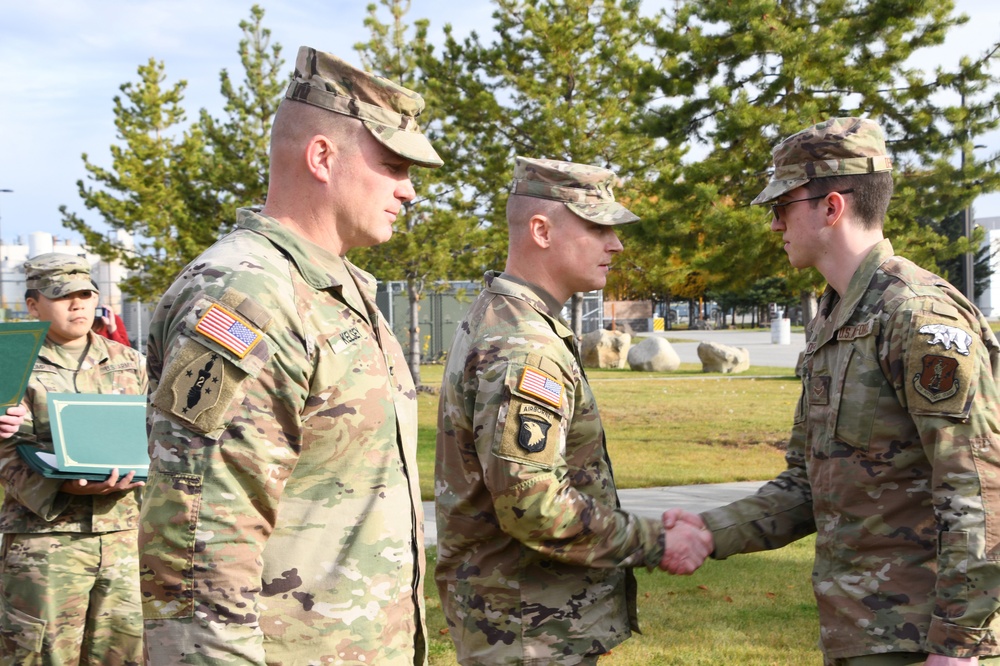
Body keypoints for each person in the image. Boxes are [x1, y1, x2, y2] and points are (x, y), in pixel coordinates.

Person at [138, 46, 442, 665]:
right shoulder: (249, 295)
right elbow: (199, 541)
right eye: (392, 166)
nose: (409, 192)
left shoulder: (336, 288)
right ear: (322, 156)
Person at [665, 117, 1000, 666]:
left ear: (831, 207)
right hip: (861, 633)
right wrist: (709, 529)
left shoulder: (917, 316)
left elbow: (981, 491)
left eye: (781, 205)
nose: (774, 225)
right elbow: (809, 483)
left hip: (923, 640)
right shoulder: (837, 318)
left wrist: (959, 644)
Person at [435, 156, 713, 665]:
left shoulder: (507, 317)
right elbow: (534, 507)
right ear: (541, 230)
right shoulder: (524, 346)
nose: (616, 244)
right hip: (528, 632)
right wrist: (653, 541)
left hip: (523, 625)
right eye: (597, 226)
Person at [0, 252, 146, 665]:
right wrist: (59, 487)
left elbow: (154, 431)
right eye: (63, 296)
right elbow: (3, 449)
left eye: (85, 294)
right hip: (46, 541)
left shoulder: (129, 362)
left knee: (123, 652)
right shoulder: (9, 362)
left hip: (120, 537)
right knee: (41, 653)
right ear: (33, 305)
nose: (78, 304)